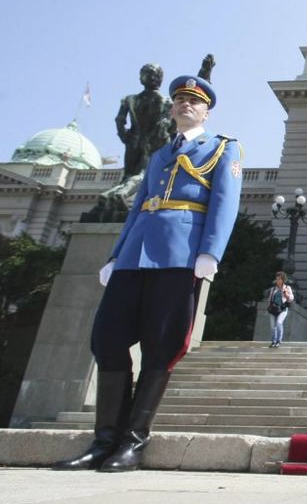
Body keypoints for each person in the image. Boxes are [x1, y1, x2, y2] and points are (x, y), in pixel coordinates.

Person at [54, 74, 242, 472]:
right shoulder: (159, 155)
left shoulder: (223, 148)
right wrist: (115, 255)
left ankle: (132, 442)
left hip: (179, 256)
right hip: (133, 256)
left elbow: (224, 203)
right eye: (179, 100)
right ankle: (103, 440)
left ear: (206, 108)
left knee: (162, 346)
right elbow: (139, 207)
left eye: (193, 100)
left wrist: (210, 252)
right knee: (107, 339)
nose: (184, 105)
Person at [115, 63, 173, 179]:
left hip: (149, 143)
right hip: (135, 142)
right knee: (131, 175)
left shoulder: (166, 102)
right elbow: (119, 120)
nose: (142, 76)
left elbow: (168, 126)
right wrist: (124, 135)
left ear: (157, 78)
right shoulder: (130, 99)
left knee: (141, 175)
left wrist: (124, 135)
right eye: (142, 73)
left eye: (146, 73)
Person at [266, 271, 294, 347]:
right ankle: (273, 342)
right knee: (272, 327)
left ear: (283, 280)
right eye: (277, 279)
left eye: (279, 279)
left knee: (279, 323)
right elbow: (270, 299)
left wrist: (286, 294)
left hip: (282, 309)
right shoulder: (273, 289)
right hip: (273, 309)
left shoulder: (287, 288)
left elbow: (291, 298)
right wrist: (268, 307)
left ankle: (278, 341)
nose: (277, 280)